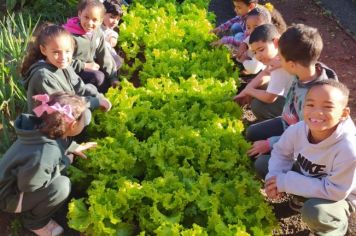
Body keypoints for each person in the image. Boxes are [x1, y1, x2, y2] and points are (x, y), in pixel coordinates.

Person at [264, 80, 356, 235]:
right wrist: (274, 177)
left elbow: (335, 191)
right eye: (310, 104)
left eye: (327, 107)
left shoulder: (348, 149)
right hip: (310, 177)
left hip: (340, 197)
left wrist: (286, 182)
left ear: (344, 113)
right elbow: (281, 152)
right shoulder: (298, 130)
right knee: (264, 164)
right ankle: (297, 203)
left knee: (315, 211)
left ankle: (335, 229)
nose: (317, 112)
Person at [0, 92, 96, 236]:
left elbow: (59, 140)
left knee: (56, 177)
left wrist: (73, 148)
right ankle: (35, 223)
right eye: (83, 121)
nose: (85, 122)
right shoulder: (45, 153)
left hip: (9, 182)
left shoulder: (42, 127)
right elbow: (29, 185)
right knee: (61, 186)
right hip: (9, 197)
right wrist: (64, 162)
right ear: (73, 125)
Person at [245, 24, 338, 157]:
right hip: (288, 122)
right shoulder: (305, 68)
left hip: (303, 143)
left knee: (261, 164)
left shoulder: (315, 98)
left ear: (291, 64)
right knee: (251, 133)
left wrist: (269, 143)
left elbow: (305, 135)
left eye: (280, 58)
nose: (277, 61)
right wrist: (281, 63)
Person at [21, 23, 112, 113]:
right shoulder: (43, 76)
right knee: (86, 114)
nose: (63, 57)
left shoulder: (65, 66)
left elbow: (80, 87)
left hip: (65, 112)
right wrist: (94, 102)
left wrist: (99, 97)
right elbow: (62, 105)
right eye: (56, 52)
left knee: (89, 99)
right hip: (48, 123)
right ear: (44, 50)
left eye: (67, 51)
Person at [234, 24, 294, 122]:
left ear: (276, 42)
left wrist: (250, 91)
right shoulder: (281, 55)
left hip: (297, 108)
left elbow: (269, 98)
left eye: (261, 50)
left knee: (257, 106)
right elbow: (265, 73)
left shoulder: (279, 65)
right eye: (254, 52)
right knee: (258, 84)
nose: (258, 56)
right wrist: (245, 91)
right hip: (291, 96)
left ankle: (282, 124)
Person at [63, 0, 119, 93]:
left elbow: (103, 54)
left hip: (90, 63)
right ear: (80, 14)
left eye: (94, 20)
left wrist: (113, 77)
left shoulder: (97, 33)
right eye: (86, 17)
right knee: (99, 77)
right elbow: (63, 61)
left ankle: (110, 84)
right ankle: (93, 96)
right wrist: (84, 66)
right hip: (73, 71)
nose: (89, 23)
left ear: (101, 21)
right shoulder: (69, 36)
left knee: (116, 60)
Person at [102, 0, 124, 69]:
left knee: (118, 61)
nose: (115, 22)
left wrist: (113, 37)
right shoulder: (96, 26)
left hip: (107, 56)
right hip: (98, 56)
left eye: (118, 19)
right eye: (112, 17)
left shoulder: (109, 28)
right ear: (102, 14)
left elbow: (111, 33)